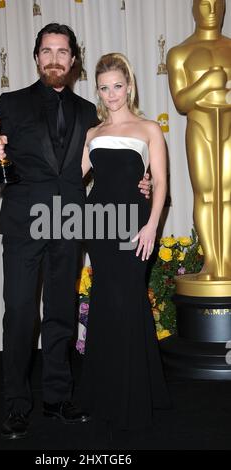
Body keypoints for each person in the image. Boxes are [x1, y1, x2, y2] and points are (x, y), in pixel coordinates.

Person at [0, 24, 151, 440]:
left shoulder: (88, 113)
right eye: (47, 50)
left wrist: (139, 184)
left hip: (72, 221)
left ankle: (57, 398)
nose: (54, 58)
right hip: (24, 221)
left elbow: (110, 159)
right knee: (20, 312)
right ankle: (17, 405)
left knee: (60, 313)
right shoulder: (11, 103)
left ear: (73, 61)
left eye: (62, 51)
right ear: (37, 57)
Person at [80, 53, 171, 430]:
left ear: (129, 86)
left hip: (134, 224)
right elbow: (71, 178)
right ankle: (101, 395)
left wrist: (151, 226)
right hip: (98, 224)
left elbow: (161, 184)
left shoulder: (149, 129)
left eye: (118, 86)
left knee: (129, 299)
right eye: (104, 87)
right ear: (98, 91)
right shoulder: (92, 134)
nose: (111, 94)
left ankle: (137, 397)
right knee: (104, 300)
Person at [167, 0, 231, 285]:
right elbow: (181, 102)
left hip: (229, 125)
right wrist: (207, 83)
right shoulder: (180, 53)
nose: (212, 10)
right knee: (206, 193)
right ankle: (211, 260)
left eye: (218, 4)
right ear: (194, 8)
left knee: (227, 194)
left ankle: (226, 260)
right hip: (200, 125)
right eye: (205, 4)